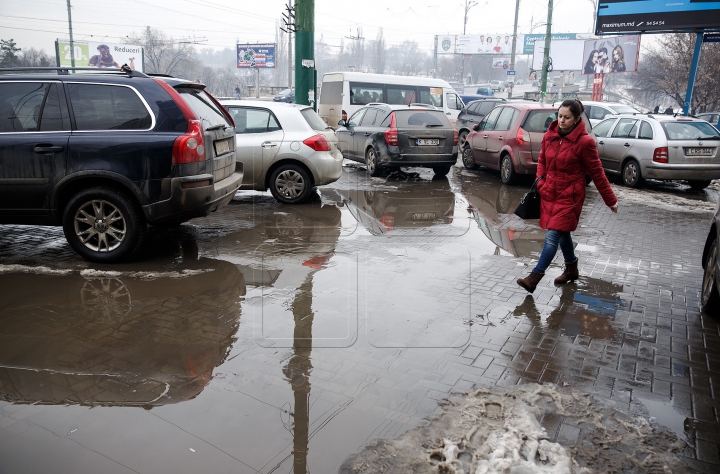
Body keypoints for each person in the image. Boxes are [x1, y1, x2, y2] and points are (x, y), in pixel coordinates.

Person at [517, 100, 618, 293]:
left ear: (577, 119)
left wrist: (610, 200)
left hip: (570, 197)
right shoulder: (550, 136)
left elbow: (597, 173)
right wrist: (540, 182)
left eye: (566, 117)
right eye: (559, 116)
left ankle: (534, 277)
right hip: (549, 193)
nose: (561, 120)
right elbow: (542, 162)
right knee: (562, 234)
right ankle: (571, 268)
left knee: (552, 236)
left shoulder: (585, 143)